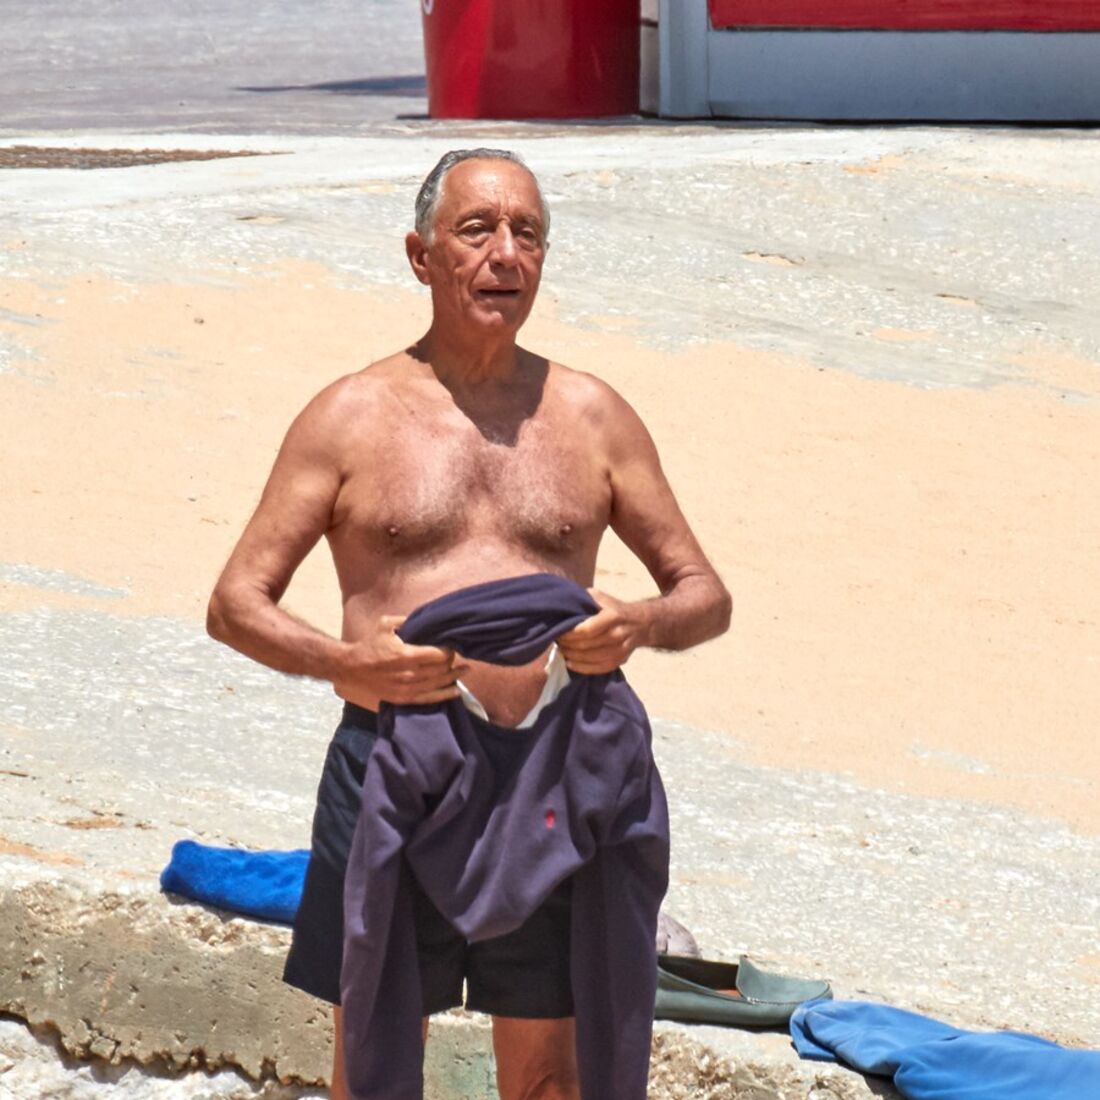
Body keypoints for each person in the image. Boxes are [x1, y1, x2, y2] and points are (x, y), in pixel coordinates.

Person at [206, 148, 731, 1100]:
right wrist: (346, 662)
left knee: (547, 1080)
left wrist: (636, 621)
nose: (504, 255)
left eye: (526, 233)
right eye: (476, 230)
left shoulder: (592, 415)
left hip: (553, 778)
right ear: (420, 255)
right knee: (368, 1067)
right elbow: (236, 601)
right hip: (391, 764)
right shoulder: (350, 416)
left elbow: (704, 592)